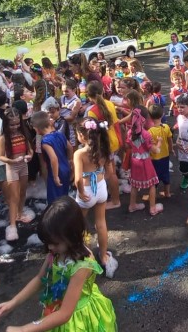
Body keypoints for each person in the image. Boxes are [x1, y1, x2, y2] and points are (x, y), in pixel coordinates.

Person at [0, 196, 117, 331]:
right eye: (48, 242)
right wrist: (12, 303)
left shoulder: (82, 266)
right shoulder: (56, 252)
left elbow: (65, 314)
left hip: (78, 320)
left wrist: (23, 329)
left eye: (55, 243)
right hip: (57, 312)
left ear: (72, 235)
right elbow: (40, 279)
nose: (50, 247)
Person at [73, 117, 118, 278]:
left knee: (78, 224)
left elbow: (78, 179)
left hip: (86, 190)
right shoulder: (104, 149)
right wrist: (100, 181)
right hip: (100, 188)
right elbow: (110, 173)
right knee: (101, 223)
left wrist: (80, 192)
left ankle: (79, 254)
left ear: (81, 135)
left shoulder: (80, 153)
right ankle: (104, 256)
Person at [0, 107, 34, 242]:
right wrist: (12, 161)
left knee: (23, 192)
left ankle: (20, 213)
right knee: (14, 197)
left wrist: (30, 156)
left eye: (17, 123)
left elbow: (30, 150)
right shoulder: (3, 138)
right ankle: (12, 225)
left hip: (23, 166)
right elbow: (1, 156)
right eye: (12, 124)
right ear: (6, 124)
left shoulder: (23, 134)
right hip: (12, 167)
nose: (15, 127)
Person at [86, 81, 122, 210]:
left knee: (110, 173)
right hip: (114, 140)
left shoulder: (92, 112)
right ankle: (111, 195)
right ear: (102, 91)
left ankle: (116, 201)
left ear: (88, 95)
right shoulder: (110, 103)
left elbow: (94, 134)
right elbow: (115, 123)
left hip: (105, 144)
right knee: (110, 171)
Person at [123, 108, 163, 216]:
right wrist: (159, 142)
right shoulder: (146, 134)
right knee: (152, 184)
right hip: (145, 162)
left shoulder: (130, 132)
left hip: (134, 161)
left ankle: (132, 205)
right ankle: (153, 208)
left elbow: (127, 145)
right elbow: (155, 150)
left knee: (134, 185)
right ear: (144, 120)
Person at [33, 111, 73, 205]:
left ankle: (56, 212)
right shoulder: (60, 134)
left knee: (54, 199)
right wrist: (70, 160)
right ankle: (65, 209)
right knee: (64, 194)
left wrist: (55, 176)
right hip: (66, 168)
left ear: (36, 129)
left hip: (56, 171)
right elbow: (70, 147)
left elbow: (53, 158)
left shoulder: (45, 141)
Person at [148, 104, 173, 199]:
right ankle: (167, 193)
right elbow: (170, 140)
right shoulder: (166, 127)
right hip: (165, 155)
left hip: (154, 158)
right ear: (162, 115)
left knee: (154, 177)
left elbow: (149, 146)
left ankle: (152, 196)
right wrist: (171, 149)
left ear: (149, 117)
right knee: (166, 174)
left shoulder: (150, 131)